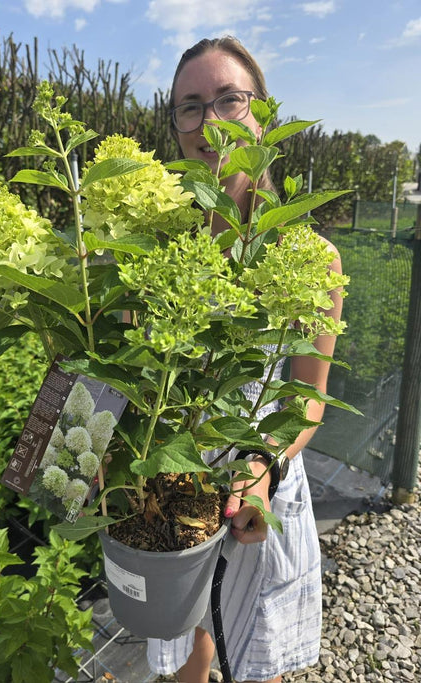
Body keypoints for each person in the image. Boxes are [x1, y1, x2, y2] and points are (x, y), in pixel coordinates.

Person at [146, 36, 344, 683]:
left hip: (258, 486)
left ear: (261, 112)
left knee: (257, 661)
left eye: (229, 99)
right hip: (174, 490)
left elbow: (306, 401)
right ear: (176, 125)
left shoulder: (310, 259)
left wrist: (262, 466)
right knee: (188, 653)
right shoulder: (157, 247)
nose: (210, 123)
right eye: (190, 106)